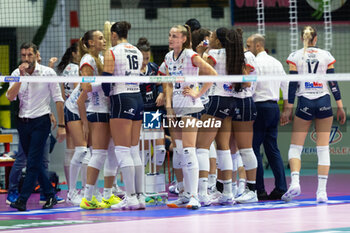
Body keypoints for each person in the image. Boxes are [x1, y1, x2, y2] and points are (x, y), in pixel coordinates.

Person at [281, 26, 346, 203]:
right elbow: (333, 82)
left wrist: (288, 109)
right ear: (315, 39)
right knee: (323, 148)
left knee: (296, 147)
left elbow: (293, 84)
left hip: (305, 102)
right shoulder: (326, 55)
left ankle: (295, 182)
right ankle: (322, 193)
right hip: (324, 101)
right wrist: (340, 106)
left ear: (303, 38)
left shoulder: (295, 56)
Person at [6, 42, 66, 211]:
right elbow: (10, 97)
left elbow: (58, 99)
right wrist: (21, 77)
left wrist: (61, 125)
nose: (26, 58)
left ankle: (22, 200)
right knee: (36, 162)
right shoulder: (16, 73)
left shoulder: (48, 73)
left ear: (36, 55)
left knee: (32, 162)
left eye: (29, 55)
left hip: (41, 122)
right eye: (23, 55)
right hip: (23, 123)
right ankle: (50, 194)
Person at [164, 24, 217, 210]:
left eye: (175, 36)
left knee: (188, 150)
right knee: (178, 151)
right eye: (170, 35)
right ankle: (185, 193)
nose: (171, 39)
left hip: (190, 107)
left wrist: (198, 92)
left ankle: (195, 196)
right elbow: (168, 83)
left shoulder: (190, 56)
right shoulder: (168, 57)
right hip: (175, 108)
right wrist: (169, 106)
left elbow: (212, 74)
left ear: (184, 39)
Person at [102, 21, 145, 210]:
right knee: (134, 150)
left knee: (122, 150)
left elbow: (106, 80)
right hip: (137, 97)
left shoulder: (112, 52)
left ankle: (130, 197)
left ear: (113, 35)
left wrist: (105, 94)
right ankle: (140, 197)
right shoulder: (136, 50)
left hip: (121, 98)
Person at [246, 34, 288, 200]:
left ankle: (260, 190)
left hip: (259, 107)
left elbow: (251, 86)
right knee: (272, 148)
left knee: (254, 148)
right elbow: (286, 83)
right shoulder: (276, 63)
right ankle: (281, 188)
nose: (247, 49)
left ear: (258, 46)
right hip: (273, 108)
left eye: (249, 46)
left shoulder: (255, 63)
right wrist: (287, 108)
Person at [196, 27, 235, 206]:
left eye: (211, 36)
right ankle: (227, 192)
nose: (209, 38)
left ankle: (202, 193)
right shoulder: (232, 53)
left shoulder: (214, 53)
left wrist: (201, 54)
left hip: (216, 99)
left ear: (218, 40)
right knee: (223, 147)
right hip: (229, 100)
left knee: (201, 146)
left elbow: (203, 74)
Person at [56, 42, 81, 193]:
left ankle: (71, 189)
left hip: (67, 109)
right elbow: (80, 89)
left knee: (70, 150)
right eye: (80, 51)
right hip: (76, 111)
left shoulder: (66, 69)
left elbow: (62, 91)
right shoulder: (76, 69)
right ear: (73, 53)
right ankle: (76, 190)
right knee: (82, 150)